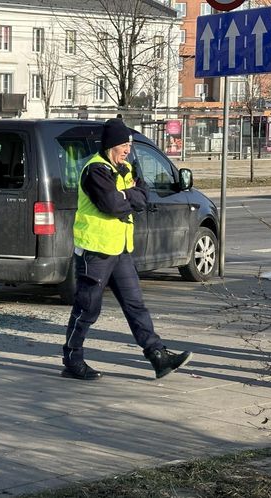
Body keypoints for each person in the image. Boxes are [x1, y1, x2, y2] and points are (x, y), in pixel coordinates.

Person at [61, 118, 192, 381]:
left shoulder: (125, 168)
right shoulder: (96, 170)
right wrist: (128, 196)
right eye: (123, 145)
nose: (128, 150)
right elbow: (112, 205)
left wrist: (128, 195)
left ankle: (157, 356)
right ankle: (72, 359)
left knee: (135, 304)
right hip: (96, 251)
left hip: (119, 249)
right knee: (88, 308)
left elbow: (144, 197)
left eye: (129, 145)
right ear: (111, 145)